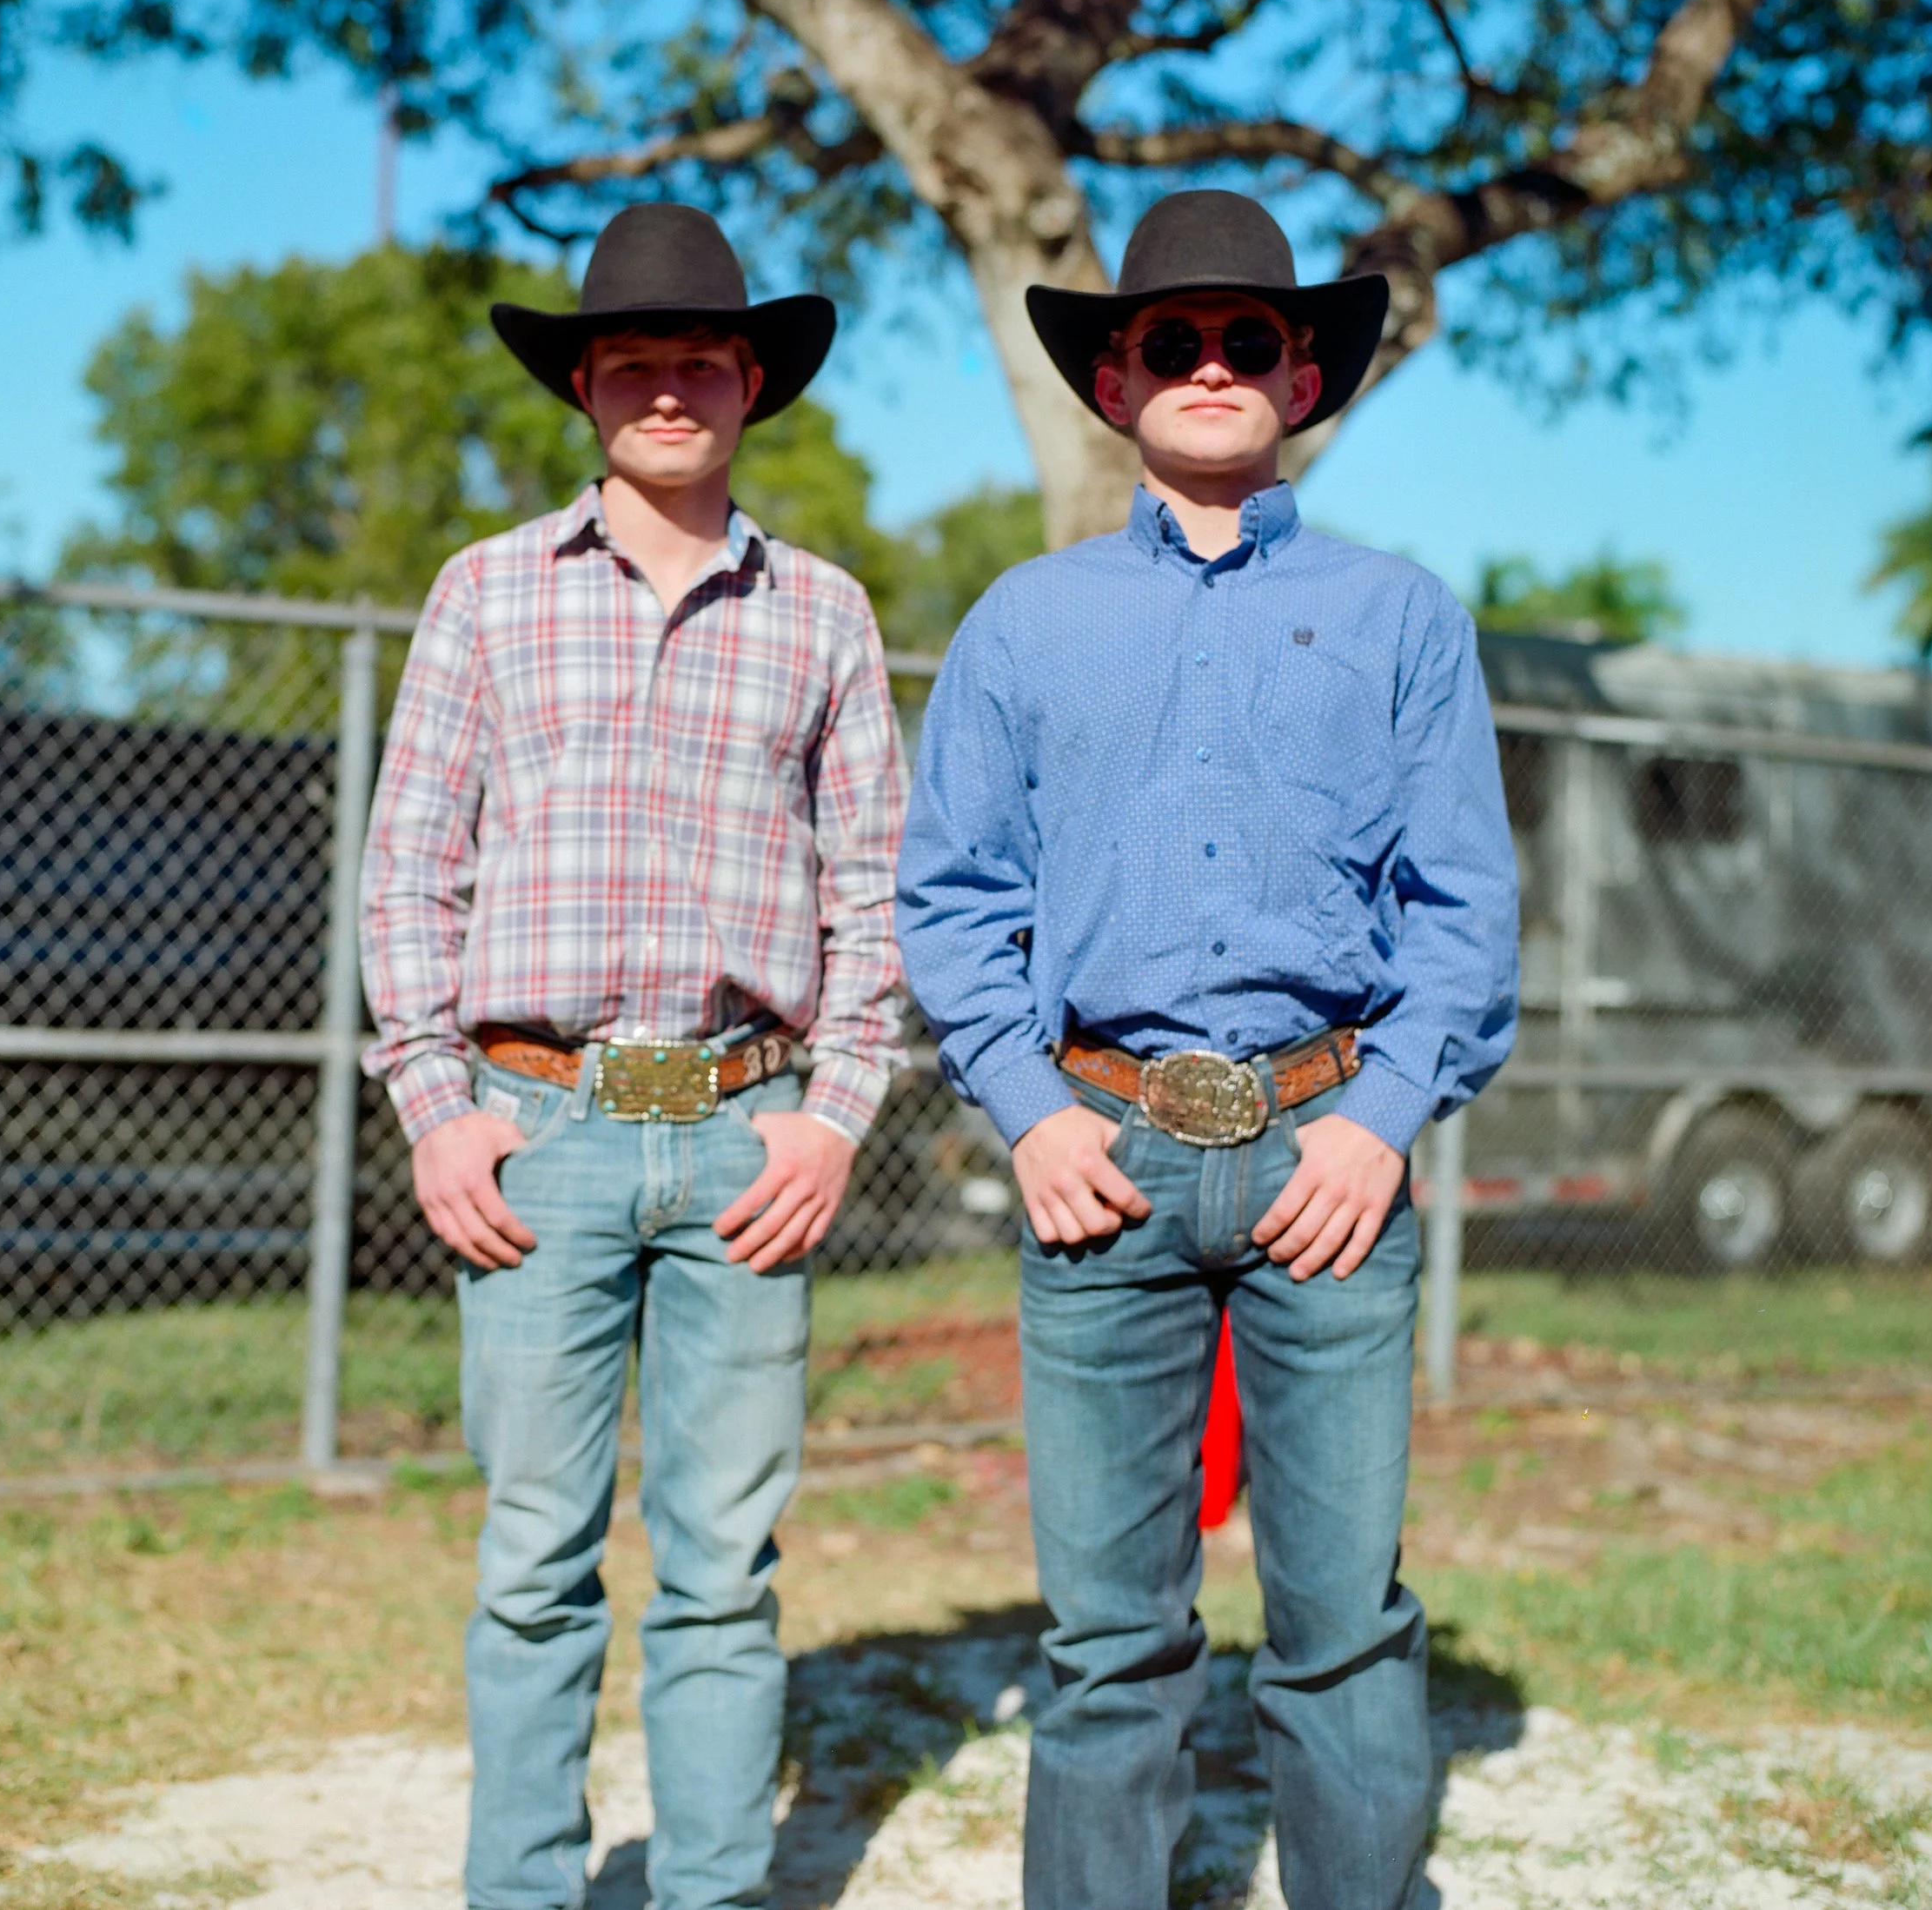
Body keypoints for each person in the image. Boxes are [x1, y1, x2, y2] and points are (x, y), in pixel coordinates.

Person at [896, 188, 1519, 1910]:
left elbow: (1461, 903)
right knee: (1107, 1639)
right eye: (1172, 340)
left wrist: (1385, 1115)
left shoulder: (1401, 617)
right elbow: (949, 899)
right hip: (1097, 1157)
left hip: (1327, 1161)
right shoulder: (1022, 621)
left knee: (1337, 1626)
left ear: (1302, 371)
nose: (1212, 364)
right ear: (1113, 382)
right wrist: (1024, 1110)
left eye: (1250, 337)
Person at [359, 202, 908, 1910]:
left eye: (699, 361)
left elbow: (873, 886)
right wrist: (435, 1104)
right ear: (584, 387)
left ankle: (713, 1887)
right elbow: (406, 868)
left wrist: (833, 1117)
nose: (668, 390)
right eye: (633, 364)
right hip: (540, 1128)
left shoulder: (821, 612)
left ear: (750, 382)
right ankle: (522, 1888)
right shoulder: (483, 595)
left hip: (745, 1136)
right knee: (533, 1551)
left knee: (723, 1562)